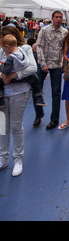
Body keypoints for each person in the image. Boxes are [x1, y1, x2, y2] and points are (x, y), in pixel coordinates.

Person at [0, 26, 37, 176]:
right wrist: (3, 76)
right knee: (2, 126)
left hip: (19, 91)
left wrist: (13, 75)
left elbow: (32, 68)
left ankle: (18, 159)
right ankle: (3, 158)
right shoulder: (2, 49)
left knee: (15, 126)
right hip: (2, 93)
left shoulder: (25, 49)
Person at [35, 11, 68, 129]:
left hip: (57, 66)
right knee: (37, 90)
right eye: (56, 17)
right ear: (52, 18)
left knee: (56, 93)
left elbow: (65, 50)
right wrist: (42, 64)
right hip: (43, 64)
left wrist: (64, 65)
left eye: (60, 17)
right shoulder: (44, 30)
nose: (59, 19)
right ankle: (39, 114)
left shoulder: (65, 33)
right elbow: (39, 46)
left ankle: (54, 120)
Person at [0, 34, 46, 108]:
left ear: (7, 47)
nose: (3, 51)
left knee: (0, 80)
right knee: (35, 80)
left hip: (12, 78)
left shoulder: (10, 58)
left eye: (3, 49)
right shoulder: (20, 51)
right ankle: (39, 97)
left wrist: (1, 66)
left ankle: (1, 97)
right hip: (24, 76)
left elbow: (6, 71)